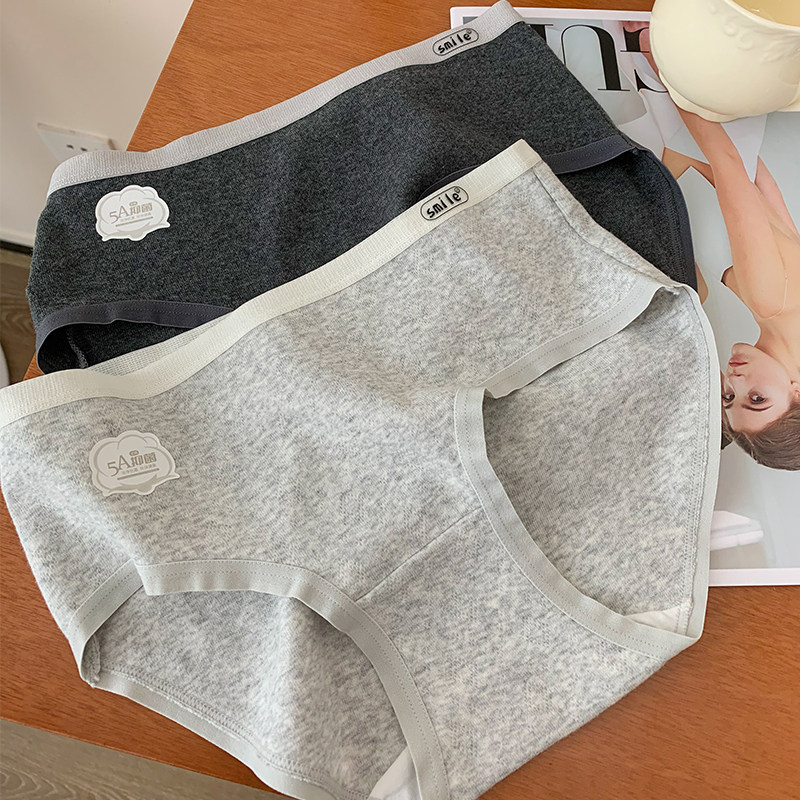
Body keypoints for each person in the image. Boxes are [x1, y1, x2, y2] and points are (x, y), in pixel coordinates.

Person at [624, 21, 800, 470]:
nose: (735, 381)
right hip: (686, 118)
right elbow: (729, 165)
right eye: (756, 398)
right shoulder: (769, 299)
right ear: (797, 391)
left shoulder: (782, 312)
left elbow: (766, 191)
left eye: (728, 397)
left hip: (701, 124)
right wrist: (666, 66)